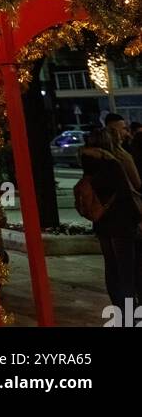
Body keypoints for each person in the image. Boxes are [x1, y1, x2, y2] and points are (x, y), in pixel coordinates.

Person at [77, 127, 142, 317]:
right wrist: (137, 218)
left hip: (102, 222)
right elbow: (125, 194)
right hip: (121, 223)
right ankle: (131, 313)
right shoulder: (112, 164)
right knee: (127, 270)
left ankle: (120, 309)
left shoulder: (88, 163)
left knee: (112, 267)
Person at [103, 113, 142, 191]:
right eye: (123, 129)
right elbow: (137, 184)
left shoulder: (124, 148)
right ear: (112, 130)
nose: (127, 133)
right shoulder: (119, 154)